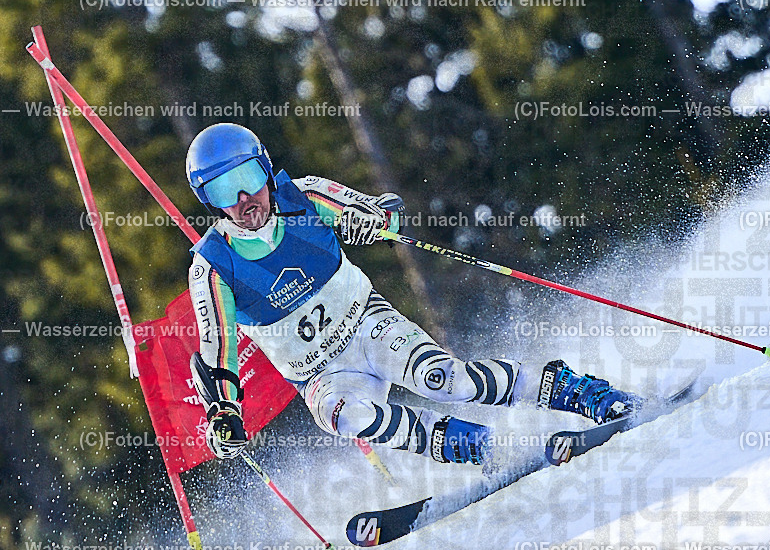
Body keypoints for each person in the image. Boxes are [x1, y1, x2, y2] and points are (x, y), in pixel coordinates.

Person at [185, 122, 639, 463]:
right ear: (210, 200)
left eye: (247, 177)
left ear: (265, 170)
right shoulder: (214, 266)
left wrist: (374, 221)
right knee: (347, 416)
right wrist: (222, 412)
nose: (244, 199)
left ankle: (582, 393)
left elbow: (383, 213)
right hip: (319, 374)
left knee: (445, 381)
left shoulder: (304, 197)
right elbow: (216, 348)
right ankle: (483, 448)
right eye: (225, 189)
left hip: (367, 325)